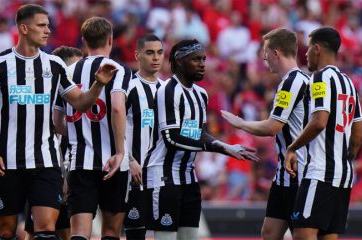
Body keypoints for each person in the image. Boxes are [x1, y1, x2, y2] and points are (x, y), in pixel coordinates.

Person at [0, 4, 117, 240]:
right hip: (6, 162)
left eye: (48, 25)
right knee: (6, 230)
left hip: (45, 162)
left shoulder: (55, 65)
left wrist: (98, 84)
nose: (48, 30)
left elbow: (80, 103)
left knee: (46, 228)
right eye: (41, 25)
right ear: (24, 28)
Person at [142, 39, 259, 240]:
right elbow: (171, 137)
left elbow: (196, 132)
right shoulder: (167, 91)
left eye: (203, 59)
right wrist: (219, 148)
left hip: (189, 177)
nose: (203, 64)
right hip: (164, 177)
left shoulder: (200, 94)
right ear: (179, 61)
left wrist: (225, 146)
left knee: (189, 237)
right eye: (196, 59)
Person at [221, 28, 310, 239]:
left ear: (276, 53)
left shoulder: (291, 82)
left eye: (266, 51)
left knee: (302, 235)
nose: (263, 57)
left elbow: (272, 127)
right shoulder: (303, 80)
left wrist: (241, 123)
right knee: (269, 232)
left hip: (296, 173)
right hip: (284, 173)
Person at [55, 17, 131, 240]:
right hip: (114, 164)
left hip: (80, 161)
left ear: (83, 41)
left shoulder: (67, 71)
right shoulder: (118, 69)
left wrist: (80, 133)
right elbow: (117, 107)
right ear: (110, 40)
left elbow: (57, 122)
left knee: (79, 232)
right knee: (110, 232)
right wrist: (119, 151)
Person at [285, 27, 362, 240]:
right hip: (343, 177)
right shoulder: (349, 83)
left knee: (302, 234)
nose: (305, 54)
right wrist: (344, 157)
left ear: (317, 49)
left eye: (308, 49)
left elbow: (319, 121)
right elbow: (358, 133)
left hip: (319, 173)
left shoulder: (320, 78)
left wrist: (292, 147)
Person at [24, 46, 84, 240]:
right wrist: (61, 175)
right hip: (49, 170)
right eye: (75, 67)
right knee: (39, 230)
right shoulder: (46, 101)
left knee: (68, 231)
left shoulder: (79, 100)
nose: (79, 72)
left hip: (74, 170)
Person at [123, 34, 165, 240]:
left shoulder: (168, 90)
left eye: (159, 52)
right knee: (136, 234)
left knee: (166, 233)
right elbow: (116, 129)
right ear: (137, 55)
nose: (156, 57)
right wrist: (129, 160)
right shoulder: (128, 88)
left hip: (164, 177)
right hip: (136, 175)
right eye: (150, 53)